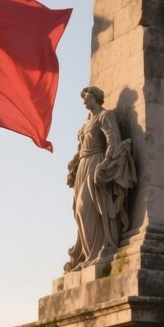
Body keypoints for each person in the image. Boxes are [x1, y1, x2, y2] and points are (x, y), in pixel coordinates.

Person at [64, 86, 136, 272]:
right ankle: (89, 255)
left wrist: (105, 164)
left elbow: (113, 140)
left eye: (87, 97)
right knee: (78, 212)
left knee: (85, 206)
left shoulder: (105, 116)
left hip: (95, 162)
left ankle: (101, 249)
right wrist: (74, 162)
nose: (84, 100)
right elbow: (81, 148)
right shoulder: (86, 123)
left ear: (96, 98)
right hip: (83, 166)